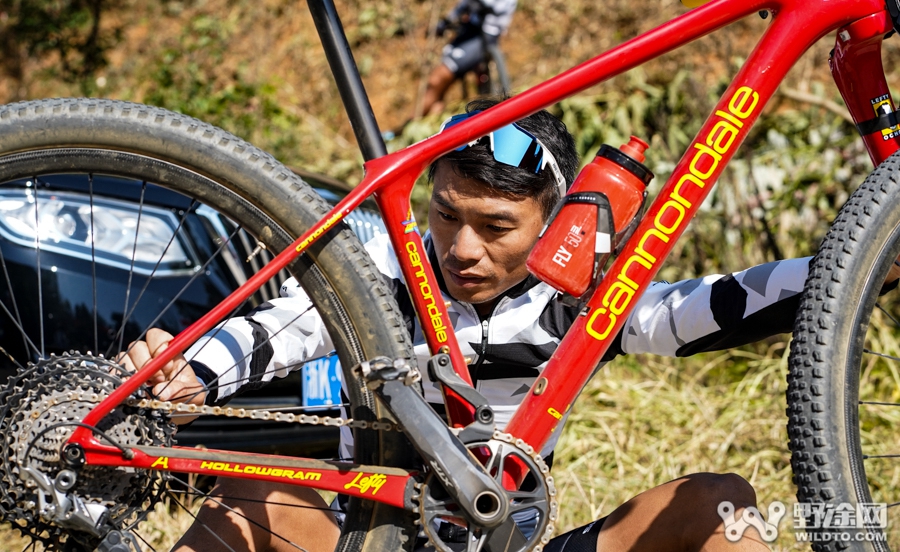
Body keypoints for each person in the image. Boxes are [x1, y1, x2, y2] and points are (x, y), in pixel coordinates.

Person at [126, 98, 812, 551]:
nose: (461, 249)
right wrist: (192, 372)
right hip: (360, 542)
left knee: (722, 504)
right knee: (251, 492)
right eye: (447, 213)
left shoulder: (581, 297)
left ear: (554, 220)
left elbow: (706, 306)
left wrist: (851, 263)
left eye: (495, 226)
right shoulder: (383, 269)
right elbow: (275, 330)